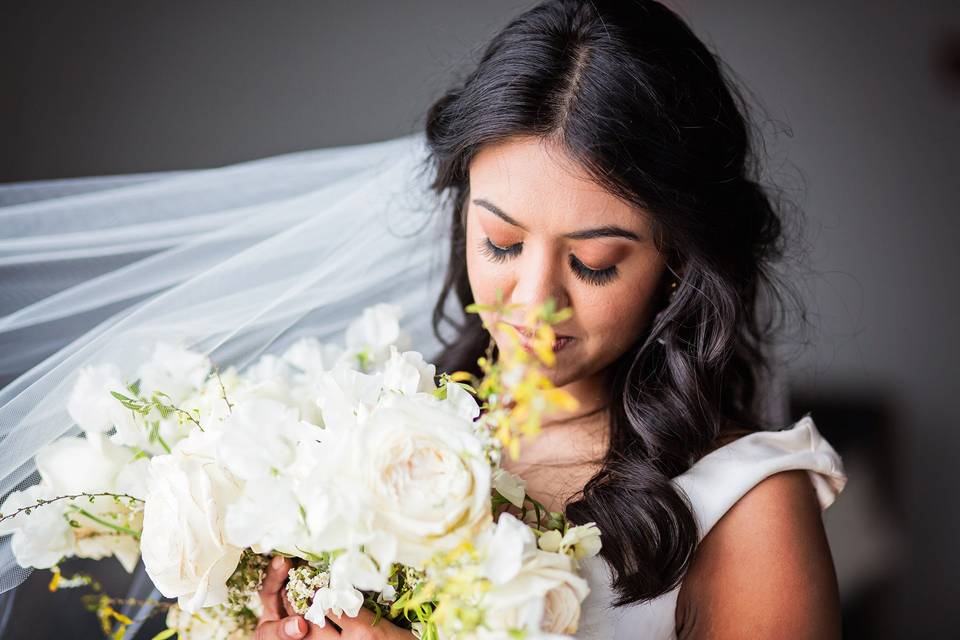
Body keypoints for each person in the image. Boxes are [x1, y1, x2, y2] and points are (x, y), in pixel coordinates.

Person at [254, 1, 847, 639]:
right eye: (501, 243)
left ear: (676, 258)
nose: (534, 302)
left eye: (593, 262)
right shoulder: (360, 430)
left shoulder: (745, 503)